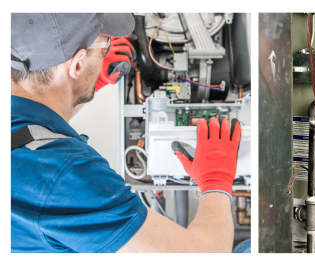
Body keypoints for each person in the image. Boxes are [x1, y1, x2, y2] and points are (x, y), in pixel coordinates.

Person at [11, 13, 242, 253]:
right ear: (77, 65)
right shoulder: (65, 178)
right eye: (104, 47)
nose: (106, 54)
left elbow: (37, 123)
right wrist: (216, 180)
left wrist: (88, 83)